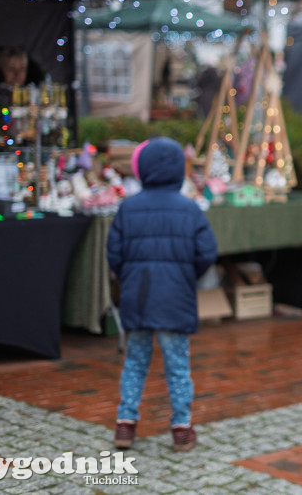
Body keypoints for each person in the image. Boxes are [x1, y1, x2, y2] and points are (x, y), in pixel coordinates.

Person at [108, 137, 218, 452]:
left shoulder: (127, 207)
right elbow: (207, 252)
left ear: (141, 169)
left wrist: (128, 277)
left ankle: (125, 426)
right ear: (177, 170)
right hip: (175, 297)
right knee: (177, 366)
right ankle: (181, 428)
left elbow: (114, 254)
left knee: (135, 361)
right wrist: (186, 275)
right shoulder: (190, 208)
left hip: (138, 295)